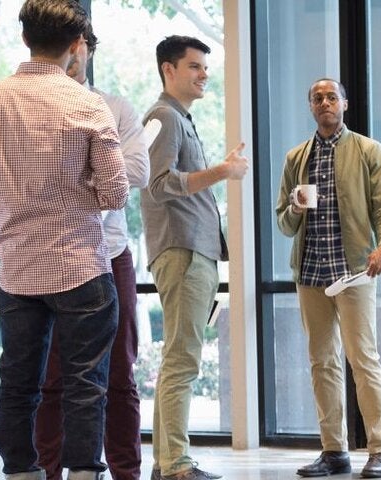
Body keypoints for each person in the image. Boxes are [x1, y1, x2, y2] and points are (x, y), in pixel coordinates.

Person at [0, 1, 128, 478]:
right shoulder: (87, 103)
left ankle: (20, 471)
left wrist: (12, 231)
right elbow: (115, 192)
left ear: (24, 39)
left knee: (16, 381)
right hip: (81, 269)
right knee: (84, 383)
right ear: (77, 47)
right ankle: (82, 472)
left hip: (16, 271)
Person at [33, 26, 150, 480]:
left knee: (119, 369)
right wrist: (97, 169)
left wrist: (75, 172)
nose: (74, 53)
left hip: (109, 251)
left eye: (80, 45)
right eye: (67, 44)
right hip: (49, 253)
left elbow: (137, 171)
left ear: (86, 50)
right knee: (52, 374)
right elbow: (28, 176)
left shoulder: (115, 106)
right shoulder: (32, 109)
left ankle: (125, 471)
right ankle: (50, 470)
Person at [275, 78, 381, 478]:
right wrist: (295, 207)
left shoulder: (368, 151)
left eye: (332, 97)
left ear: (344, 104)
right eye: (318, 98)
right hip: (311, 272)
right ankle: (334, 451)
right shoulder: (297, 157)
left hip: (355, 272)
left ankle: (380, 449)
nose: (325, 102)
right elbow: (283, 223)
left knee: (363, 359)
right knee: (322, 362)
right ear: (310, 107)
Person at [142, 34, 249, 480]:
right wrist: (222, 172)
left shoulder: (178, 118)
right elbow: (158, 184)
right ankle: (176, 465)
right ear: (169, 69)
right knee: (182, 360)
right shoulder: (163, 116)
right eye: (195, 66)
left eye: (205, 67)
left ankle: (166, 462)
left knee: (179, 359)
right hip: (182, 251)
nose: (204, 74)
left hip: (194, 252)